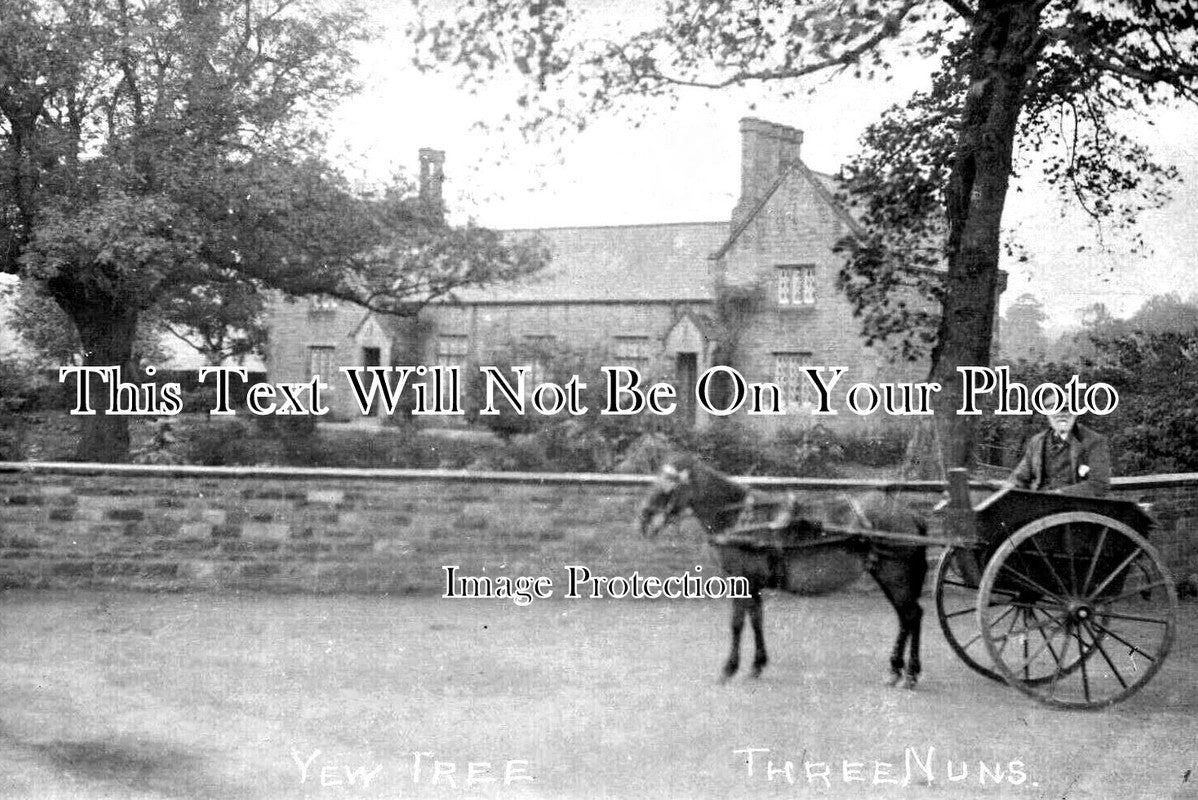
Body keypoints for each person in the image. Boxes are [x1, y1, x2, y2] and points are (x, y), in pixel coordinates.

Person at [1006, 411, 1111, 497]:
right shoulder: (1037, 441)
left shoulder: (1094, 441)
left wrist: (1059, 494)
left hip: (1074, 506)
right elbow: (1020, 477)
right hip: (1037, 504)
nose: (1062, 415)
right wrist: (1007, 486)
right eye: (1055, 411)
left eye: (1067, 410)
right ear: (1047, 415)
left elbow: (1099, 484)